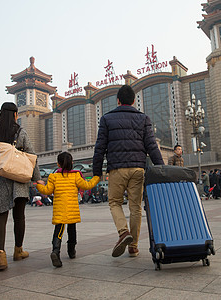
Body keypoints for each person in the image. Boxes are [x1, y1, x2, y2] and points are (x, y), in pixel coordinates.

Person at [93, 85, 164, 258]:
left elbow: (100, 147)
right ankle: (133, 246)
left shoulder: (107, 119)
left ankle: (123, 232)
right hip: (138, 169)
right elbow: (151, 146)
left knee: (115, 202)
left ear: (118, 100)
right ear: (133, 101)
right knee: (135, 208)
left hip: (116, 169)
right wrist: (161, 167)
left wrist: (96, 171)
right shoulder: (143, 118)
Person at [0, 102, 43, 271]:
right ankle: (18, 250)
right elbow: (31, 156)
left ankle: (1, 255)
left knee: (1, 218)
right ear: (15, 115)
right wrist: (38, 179)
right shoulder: (20, 132)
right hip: (17, 179)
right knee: (19, 217)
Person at [35, 152, 100, 267]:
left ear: (58, 164)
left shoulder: (53, 177)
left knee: (58, 231)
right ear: (72, 163)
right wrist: (96, 177)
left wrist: (39, 184)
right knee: (72, 230)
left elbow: (47, 191)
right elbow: (87, 185)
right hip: (72, 210)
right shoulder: (75, 176)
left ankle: (55, 251)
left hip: (59, 210)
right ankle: (71, 251)